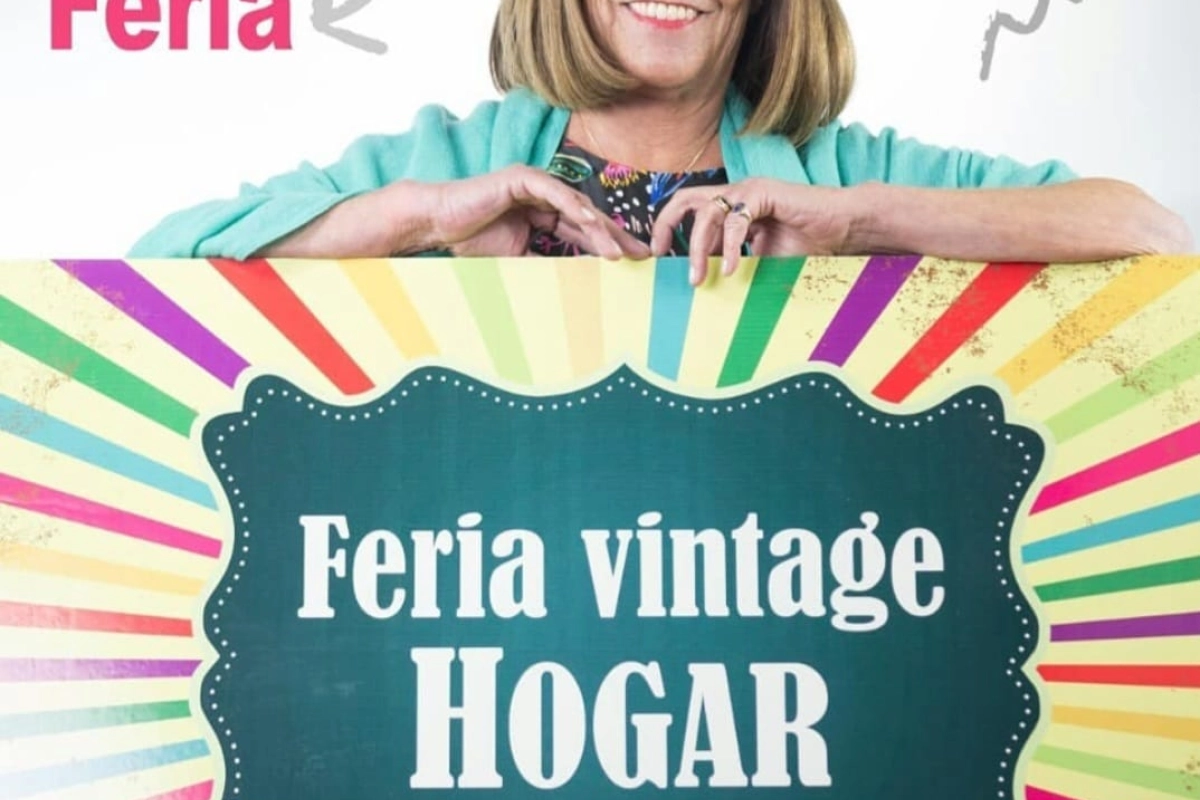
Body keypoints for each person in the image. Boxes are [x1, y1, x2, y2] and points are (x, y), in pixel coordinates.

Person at [130, 0, 1192, 286]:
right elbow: (159, 269)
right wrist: (415, 218)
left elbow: (1148, 228)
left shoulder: (838, 175)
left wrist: (862, 223)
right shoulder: (446, 165)